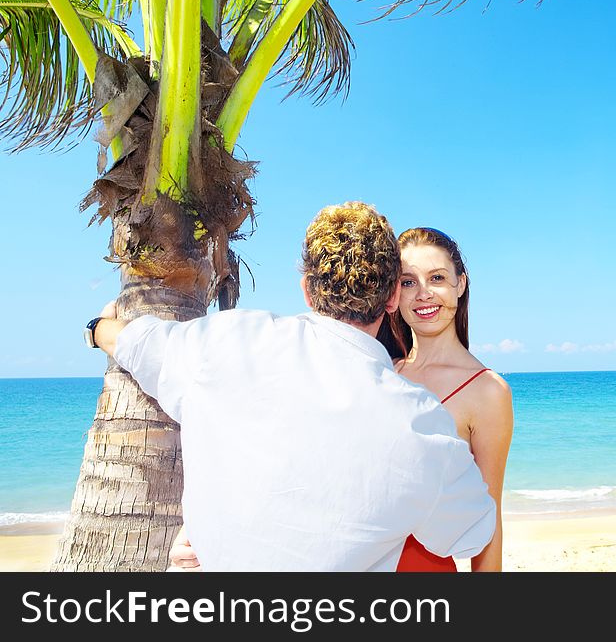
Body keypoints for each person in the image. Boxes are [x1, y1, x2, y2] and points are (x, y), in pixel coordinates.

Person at [86, 202, 496, 571]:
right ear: (392, 297)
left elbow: (134, 342)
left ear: (306, 290)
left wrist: (98, 328)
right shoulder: (419, 422)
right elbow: (471, 532)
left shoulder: (229, 340)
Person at [386, 228, 514, 572]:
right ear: (393, 294)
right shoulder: (380, 370)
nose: (423, 294)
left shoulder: (487, 391)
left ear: (460, 283)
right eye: (408, 282)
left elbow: (489, 517)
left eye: (437, 278)